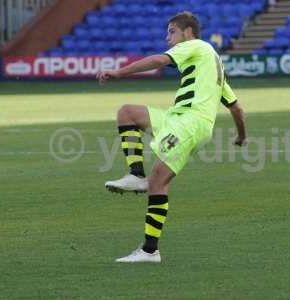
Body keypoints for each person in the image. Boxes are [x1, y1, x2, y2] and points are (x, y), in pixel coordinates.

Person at [96, 11, 247, 263]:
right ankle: (135, 174)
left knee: (158, 180)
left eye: (171, 32)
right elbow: (236, 108)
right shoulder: (211, 65)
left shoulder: (195, 45)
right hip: (176, 118)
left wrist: (119, 73)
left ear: (187, 32)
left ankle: (149, 250)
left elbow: (157, 61)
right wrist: (241, 137)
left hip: (190, 123)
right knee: (127, 113)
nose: (167, 38)